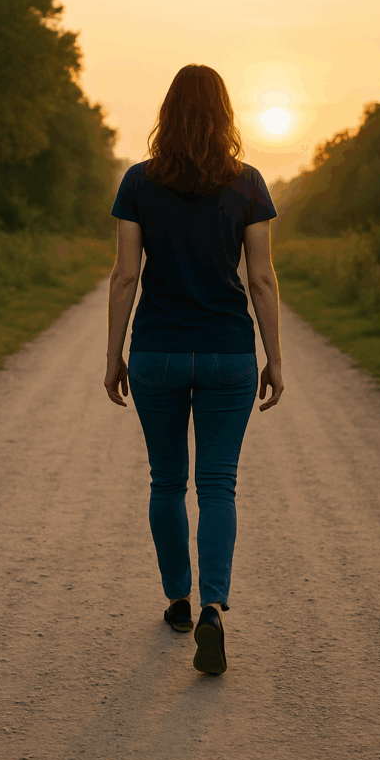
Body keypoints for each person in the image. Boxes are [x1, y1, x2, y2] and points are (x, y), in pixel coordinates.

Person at [104, 64, 283, 675]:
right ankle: (213, 607)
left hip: (156, 350)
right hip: (228, 352)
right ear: (225, 114)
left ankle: (177, 600)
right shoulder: (248, 184)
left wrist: (113, 354)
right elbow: (260, 277)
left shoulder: (138, 183)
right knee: (218, 486)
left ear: (168, 113)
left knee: (165, 481)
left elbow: (126, 274)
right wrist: (275, 358)